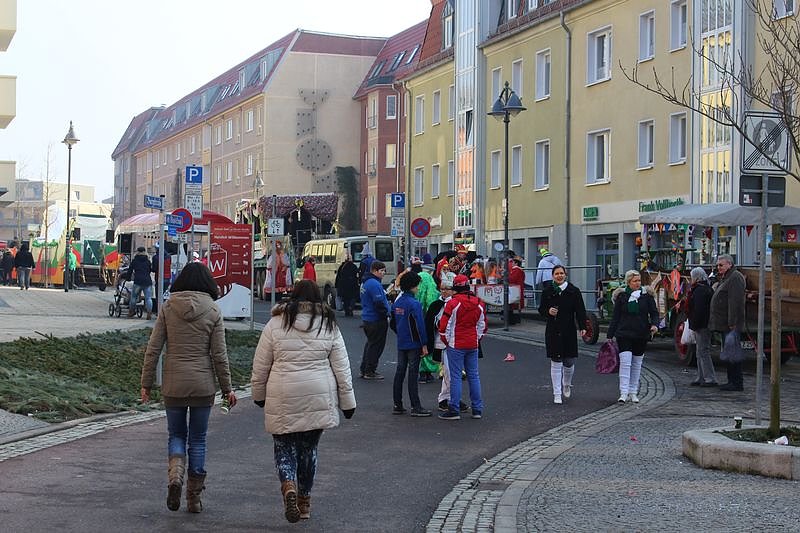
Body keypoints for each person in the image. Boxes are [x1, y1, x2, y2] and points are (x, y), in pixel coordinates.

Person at [250, 280, 356, 523]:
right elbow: (342, 366)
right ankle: (304, 501)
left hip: (282, 392)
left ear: (292, 297)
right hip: (318, 393)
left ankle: (288, 485)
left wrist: (258, 395)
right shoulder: (329, 324)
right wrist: (347, 402)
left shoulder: (276, 323)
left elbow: (261, 364)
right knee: (309, 450)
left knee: (283, 447)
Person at [140, 262, 237, 514]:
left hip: (173, 385)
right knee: (198, 440)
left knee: (176, 436)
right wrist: (227, 389)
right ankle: (194, 499)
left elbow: (153, 349)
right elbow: (219, 355)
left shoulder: (168, 308)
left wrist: (146, 384)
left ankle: (175, 477)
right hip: (203, 385)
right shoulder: (213, 310)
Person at [438, 274, 487, 420]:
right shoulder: (478, 303)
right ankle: (477, 409)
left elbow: (443, 325)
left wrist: (446, 340)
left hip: (456, 344)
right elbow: (482, 326)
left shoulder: (452, 303)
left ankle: (454, 409)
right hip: (472, 343)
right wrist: (477, 339)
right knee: (474, 376)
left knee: (456, 377)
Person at [607, 269, 659, 403]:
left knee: (636, 364)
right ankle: (623, 392)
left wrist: (654, 324)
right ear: (628, 282)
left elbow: (654, 313)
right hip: (624, 333)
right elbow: (616, 317)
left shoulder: (646, 296)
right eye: (635, 281)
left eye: (639, 281)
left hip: (641, 333)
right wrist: (610, 334)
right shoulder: (622, 297)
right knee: (625, 362)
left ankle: (633, 392)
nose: (637, 283)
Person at [538, 265, 587, 404]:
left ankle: (567, 383)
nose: (559, 276)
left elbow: (580, 311)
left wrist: (583, 326)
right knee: (556, 361)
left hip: (569, 330)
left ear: (565, 275)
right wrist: (548, 311)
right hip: (553, 330)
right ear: (552, 275)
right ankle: (557, 393)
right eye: (556, 273)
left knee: (569, 361)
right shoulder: (547, 291)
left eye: (561, 273)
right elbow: (541, 309)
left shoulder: (573, 291)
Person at [389, 271, 432, 416]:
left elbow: (393, 323)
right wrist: (424, 344)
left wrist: (401, 334)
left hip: (402, 341)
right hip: (414, 343)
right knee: (413, 375)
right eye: (417, 286)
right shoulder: (415, 304)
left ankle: (397, 404)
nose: (418, 288)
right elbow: (420, 326)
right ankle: (416, 406)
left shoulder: (398, 303)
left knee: (400, 372)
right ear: (413, 286)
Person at [709, 255, 746, 391]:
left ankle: (736, 382)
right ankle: (732, 380)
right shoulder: (726, 277)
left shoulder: (735, 278)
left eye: (721, 265)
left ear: (729, 264)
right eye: (718, 265)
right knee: (729, 352)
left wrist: (732, 322)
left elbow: (735, 302)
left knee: (732, 353)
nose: (718, 268)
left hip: (731, 324)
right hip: (725, 323)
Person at [359, 260, 391, 380]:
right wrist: (385, 314)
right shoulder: (374, 284)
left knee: (370, 344)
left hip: (368, 317)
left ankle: (364, 368)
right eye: (381, 271)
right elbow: (378, 302)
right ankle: (370, 370)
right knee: (376, 346)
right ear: (374, 271)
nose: (383, 273)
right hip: (376, 319)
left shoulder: (366, 282)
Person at [687, 267, 718, 387]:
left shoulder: (700, 290)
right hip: (701, 324)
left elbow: (699, 310)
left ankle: (709, 378)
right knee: (700, 351)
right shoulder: (704, 288)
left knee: (703, 351)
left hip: (702, 324)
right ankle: (701, 377)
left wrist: (694, 324)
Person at [129, 246, 153, 320]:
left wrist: (128, 278)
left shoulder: (135, 261)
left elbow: (130, 270)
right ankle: (149, 313)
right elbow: (149, 270)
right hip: (147, 281)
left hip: (138, 281)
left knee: (133, 297)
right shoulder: (148, 261)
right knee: (148, 298)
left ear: (137, 252)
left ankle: (132, 311)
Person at [508, 256, 526, 324]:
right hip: (518, 288)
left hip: (514, 289)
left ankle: (513, 319)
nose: (511, 263)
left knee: (514, 304)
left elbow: (512, 279)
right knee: (516, 304)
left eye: (512, 262)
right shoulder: (519, 270)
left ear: (516, 263)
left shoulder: (516, 270)